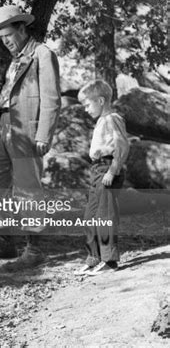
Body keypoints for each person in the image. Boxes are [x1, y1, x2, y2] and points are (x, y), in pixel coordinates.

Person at [0, 5, 61, 266]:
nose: (6, 41)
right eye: (2, 38)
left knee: (27, 188)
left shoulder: (42, 54)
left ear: (22, 28)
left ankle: (34, 250)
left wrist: (44, 133)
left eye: (9, 35)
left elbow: (52, 98)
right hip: (3, 126)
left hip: (27, 130)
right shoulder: (14, 60)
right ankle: (6, 244)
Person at [75, 79, 129, 275]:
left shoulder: (112, 118)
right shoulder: (101, 121)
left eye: (87, 104)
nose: (86, 109)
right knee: (90, 217)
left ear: (100, 100)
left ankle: (110, 260)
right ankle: (94, 257)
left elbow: (122, 147)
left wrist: (112, 172)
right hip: (96, 170)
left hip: (107, 167)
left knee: (104, 216)